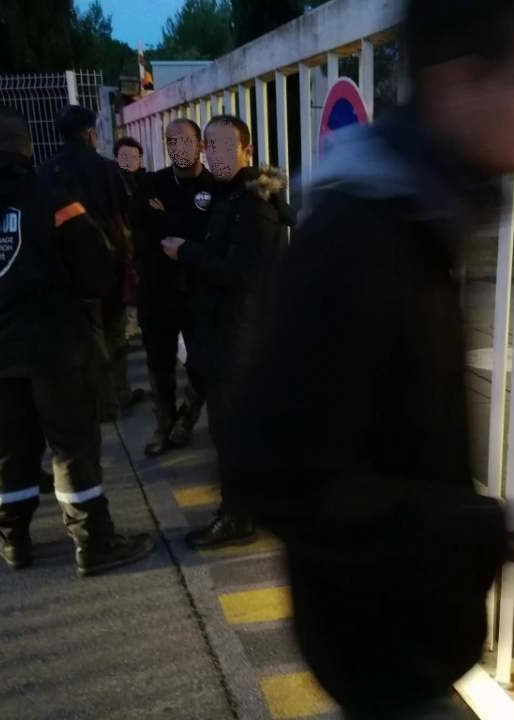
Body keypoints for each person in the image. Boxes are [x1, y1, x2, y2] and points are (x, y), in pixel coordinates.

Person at [228, 0, 514, 716]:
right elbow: (269, 465)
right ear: (458, 82)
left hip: (396, 639)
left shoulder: (419, 214)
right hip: (379, 652)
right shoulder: (361, 237)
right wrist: (466, 531)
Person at [0, 105, 154, 574]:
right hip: (57, 349)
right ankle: (92, 542)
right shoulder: (54, 200)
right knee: (72, 444)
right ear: (27, 147)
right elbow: (97, 272)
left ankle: (13, 541)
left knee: (5, 447)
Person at [160, 114, 292, 550]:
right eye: (209, 146)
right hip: (227, 330)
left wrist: (186, 252)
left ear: (246, 151)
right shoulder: (230, 195)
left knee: (230, 430)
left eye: (224, 146)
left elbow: (243, 274)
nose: (215, 155)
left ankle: (237, 518)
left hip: (240, 335)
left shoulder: (252, 203)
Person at [39, 105, 146, 422]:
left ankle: (95, 400)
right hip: (107, 263)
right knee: (114, 333)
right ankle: (118, 396)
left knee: (82, 337)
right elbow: (126, 216)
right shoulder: (107, 169)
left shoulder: (45, 172)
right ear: (90, 133)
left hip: (66, 267)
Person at [134, 118, 214, 457]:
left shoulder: (215, 186)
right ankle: (163, 425)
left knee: (203, 361)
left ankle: (188, 415)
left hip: (199, 290)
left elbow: (210, 237)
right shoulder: (151, 184)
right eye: (172, 141)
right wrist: (182, 229)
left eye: (185, 140)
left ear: (200, 145)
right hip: (158, 289)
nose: (178, 147)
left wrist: (167, 220)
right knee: (159, 362)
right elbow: (144, 230)